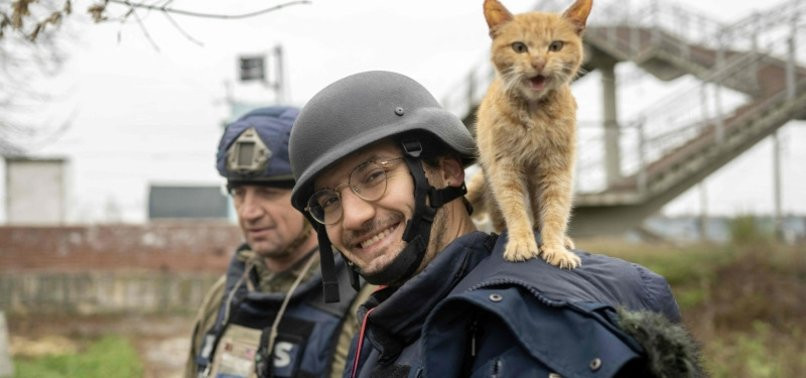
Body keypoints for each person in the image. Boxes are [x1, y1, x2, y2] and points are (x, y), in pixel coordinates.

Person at [287, 71, 702, 377]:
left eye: (374, 176)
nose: (354, 215)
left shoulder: (531, 324)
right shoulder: (392, 321)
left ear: (447, 172)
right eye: (328, 201)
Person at [184, 106, 373, 378]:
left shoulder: (364, 303)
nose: (249, 212)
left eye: (268, 193)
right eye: (238, 193)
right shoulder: (225, 294)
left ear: (313, 199)